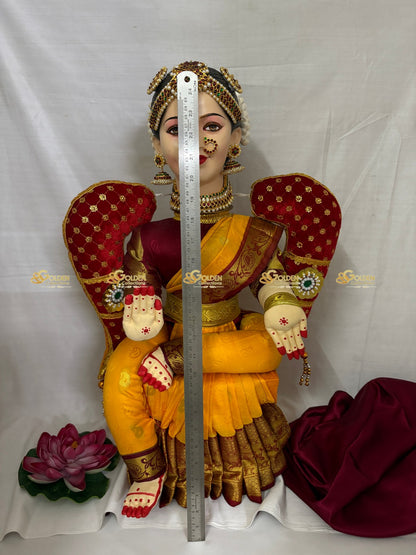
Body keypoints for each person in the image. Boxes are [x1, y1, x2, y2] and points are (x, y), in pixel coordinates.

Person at [64, 61, 341, 519]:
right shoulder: (149, 236)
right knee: (120, 373)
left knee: (267, 345)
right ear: (158, 145)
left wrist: (281, 305)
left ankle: (180, 359)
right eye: (177, 130)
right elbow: (139, 292)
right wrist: (140, 314)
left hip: (231, 331)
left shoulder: (253, 231)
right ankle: (147, 470)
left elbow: (271, 281)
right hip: (168, 328)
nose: (195, 142)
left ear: (236, 138)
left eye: (211, 126)